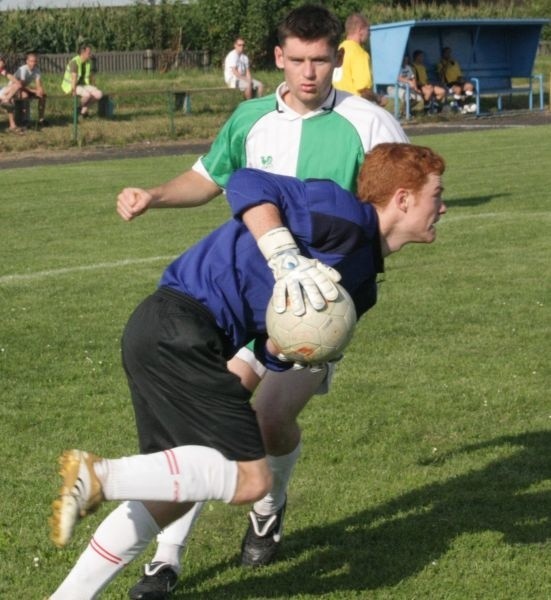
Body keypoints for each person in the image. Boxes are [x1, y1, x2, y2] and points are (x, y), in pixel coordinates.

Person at [50, 142, 447, 599]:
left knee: (171, 492)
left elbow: (271, 345)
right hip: (180, 324)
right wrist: (283, 254)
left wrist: (295, 347)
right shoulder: (344, 215)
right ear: (403, 198)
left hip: (171, 333)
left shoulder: (362, 283)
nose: (443, 206)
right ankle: (102, 477)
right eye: (436, 194)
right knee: (249, 477)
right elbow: (246, 183)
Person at [117, 5, 408, 598]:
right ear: (279, 57)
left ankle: (268, 506)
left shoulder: (370, 125)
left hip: (315, 309)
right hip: (243, 304)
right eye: (298, 61)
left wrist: (341, 285)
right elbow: (207, 178)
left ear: (336, 58)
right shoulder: (250, 118)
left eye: (321, 61)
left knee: (271, 421)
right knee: (210, 425)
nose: (309, 73)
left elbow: (394, 208)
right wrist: (154, 194)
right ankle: (165, 558)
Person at [332, 13, 387, 106]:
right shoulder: (359, 53)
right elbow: (363, 90)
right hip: (355, 107)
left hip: (337, 106)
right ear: (360, 30)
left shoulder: (339, 49)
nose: (370, 34)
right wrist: (379, 99)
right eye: (368, 30)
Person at [61, 44, 103, 118]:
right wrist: (73, 90)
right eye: (89, 53)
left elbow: (90, 76)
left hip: (82, 85)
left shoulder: (88, 62)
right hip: (71, 86)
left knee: (99, 94)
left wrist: (93, 86)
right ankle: (81, 110)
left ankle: (82, 110)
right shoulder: (74, 62)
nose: (90, 54)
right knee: (87, 95)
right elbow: (74, 79)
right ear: (82, 53)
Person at [437, 46, 476, 114]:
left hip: (458, 82)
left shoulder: (455, 62)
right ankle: (460, 106)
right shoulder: (440, 63)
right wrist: (446, 64)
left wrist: (461, 79)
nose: (449, 54)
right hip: (449, 84)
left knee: (470, 86)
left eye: (449, 53)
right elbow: (440, 75)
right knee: (458, 89)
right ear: (443, 54)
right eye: (447, 53)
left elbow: (459, 74)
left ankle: (465, 104)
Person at [14, 51, 47, 126]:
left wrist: (40, 91)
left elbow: (38, 84)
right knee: (25, 95)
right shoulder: (23, 69)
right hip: (14, 89)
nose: (33, 63)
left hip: (24, 88)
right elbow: (20, 85)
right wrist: (33, 91)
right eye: (31, 61)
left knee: (43, 96)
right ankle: (25, 120)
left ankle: (41, 119)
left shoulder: (37, 70)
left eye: (35, 61)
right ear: (27, 61)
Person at [412, 49, 446, 114]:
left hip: (426, 85)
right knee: (429, 91)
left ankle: (434, 106)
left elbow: (426, 79)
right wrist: (424, 85)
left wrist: (429, 84)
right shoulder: (412, 66)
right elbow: (414, 80)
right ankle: (426, 109)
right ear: (417, 57)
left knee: (442, 91)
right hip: (419, 86)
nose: (423, 58)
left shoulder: (422, 66)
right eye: (421, 56)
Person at [0, 55, 23, 133]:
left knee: (17, 85)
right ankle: (12, 125)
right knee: (10, 100)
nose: (1, 67)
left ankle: (6, 100)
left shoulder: (2, 70)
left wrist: (17, 82)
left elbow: (9, 76)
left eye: (2, 65)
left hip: (1, 91)